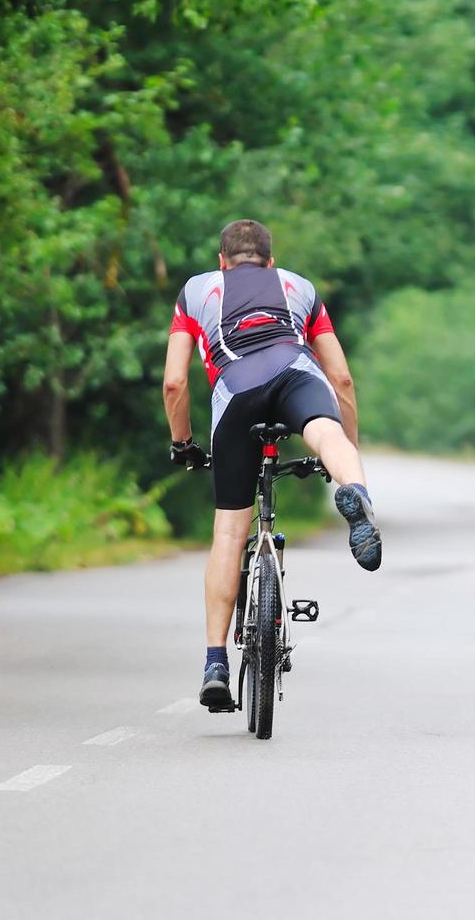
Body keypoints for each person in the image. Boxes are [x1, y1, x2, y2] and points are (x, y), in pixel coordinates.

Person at [162, 219, 382, 710]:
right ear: (270, 259)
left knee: (228, 535)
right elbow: (341, 378)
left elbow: (175, 383)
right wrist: (347, 452)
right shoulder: (298, 287)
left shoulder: (196, 292)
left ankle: (215, 661)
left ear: (222, 261)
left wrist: (183, 443)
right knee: (327, 435)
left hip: (236, 391)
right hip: (294, 377)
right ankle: (357, 493)